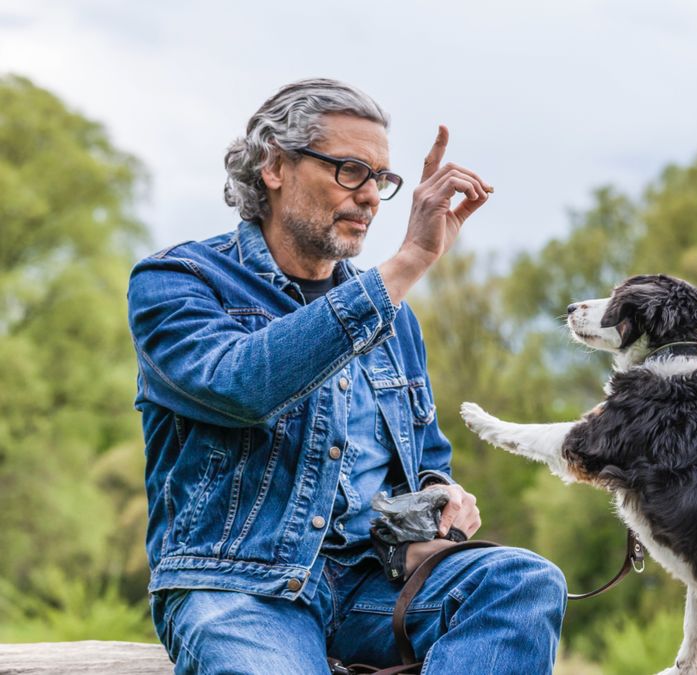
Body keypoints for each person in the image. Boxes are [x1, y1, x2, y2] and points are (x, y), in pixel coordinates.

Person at [127, 78, 566, 674]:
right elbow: (241, 387)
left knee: (521, 582)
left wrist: (439, 501)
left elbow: (424, 456)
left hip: (372, 590)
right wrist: (410, 262)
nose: (371, 198)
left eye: (381, 179)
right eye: (350, 171)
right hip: (239, 589)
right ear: (275, 166)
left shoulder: (395, 319)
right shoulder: (177, 282)